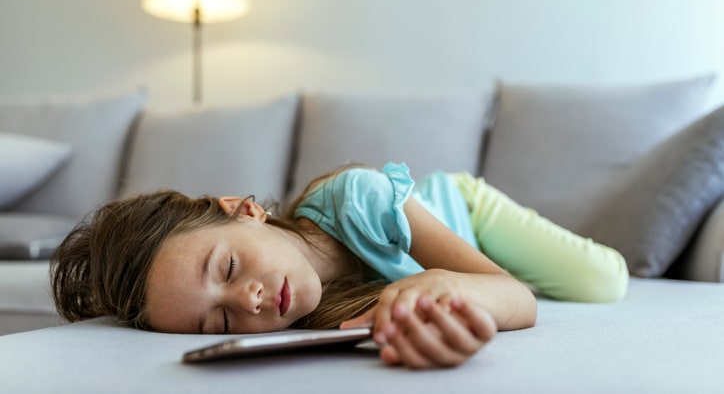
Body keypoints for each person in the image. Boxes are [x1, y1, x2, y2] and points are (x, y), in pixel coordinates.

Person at [51, 162, 628, 369]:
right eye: (221, 323)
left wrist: (443, 281)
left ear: (246, 211)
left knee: (602, 281)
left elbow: (515, 297)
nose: (248, 302)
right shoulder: (305, 319)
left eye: (226, 269)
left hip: (461, 209)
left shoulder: (361, 197)